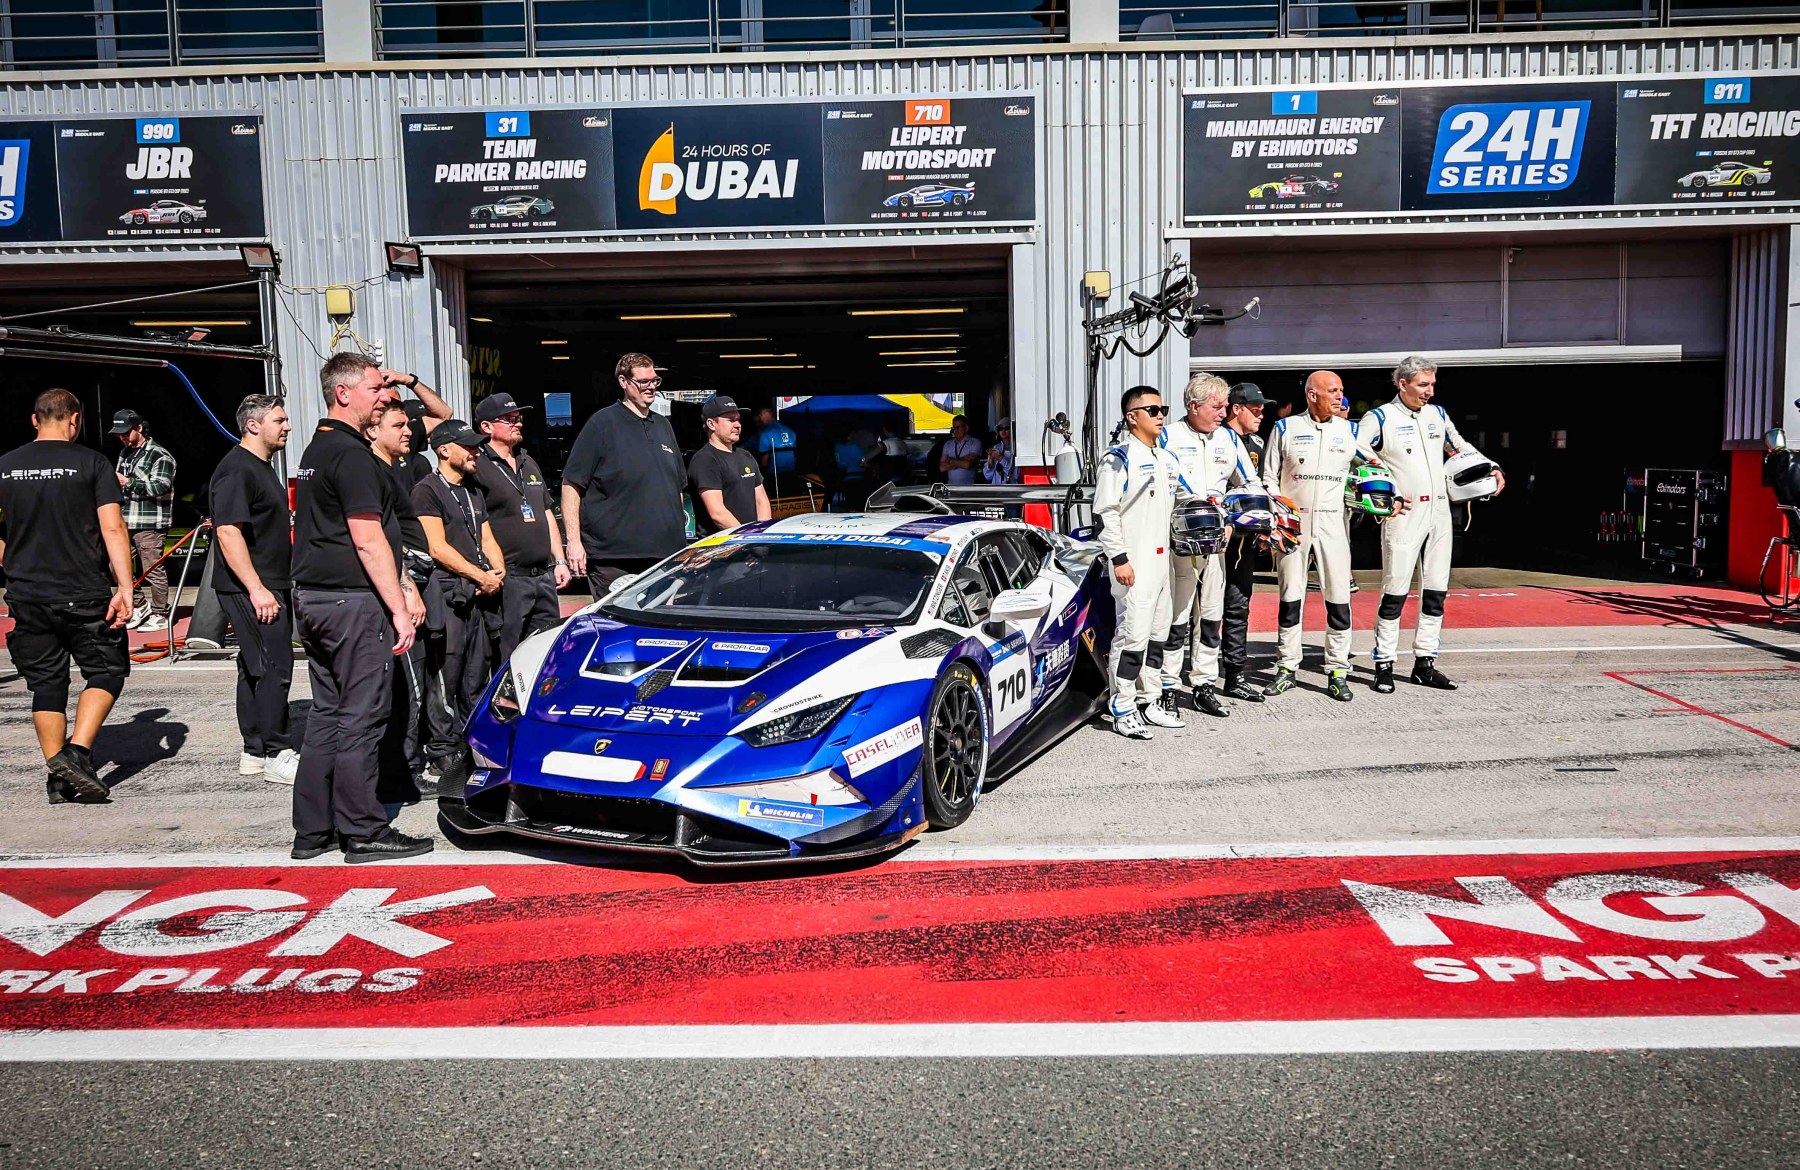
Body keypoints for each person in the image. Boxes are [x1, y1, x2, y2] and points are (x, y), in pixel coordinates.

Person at [291, 352, 430, 863]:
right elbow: (368, 539)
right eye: (375, 389)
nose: (384, 397)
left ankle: (313, 830)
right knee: (362, 717)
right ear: (343, 393)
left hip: (316, 598)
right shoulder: (350, 455)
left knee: (328, 713)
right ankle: (364, 830)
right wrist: (398, 607)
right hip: (351, 602)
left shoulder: (317, 448)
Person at [0, 389, 134, 804]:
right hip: (82, 590)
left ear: (34, 419)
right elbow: (112, 528)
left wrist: (9, 563)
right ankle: (76, 754)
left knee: (46, 683)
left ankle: (57, 777)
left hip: (26, 592)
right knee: (107, 670)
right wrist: (125, 587)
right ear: (75, 419)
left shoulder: (6, 465)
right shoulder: (92, 463)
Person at [1358, 354, 1504, 693]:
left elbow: (1461, 448)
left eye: (1432, 384)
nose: (1430, 391)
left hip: (1440, 512)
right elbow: (1356, 447)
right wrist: (1384, 484)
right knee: (1394, 591)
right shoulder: (1380, 417)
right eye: (1423, 385)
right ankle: (1384, 663)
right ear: (1403, 384)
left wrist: (1491, 466)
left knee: (1436, 591)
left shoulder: (1437, 414)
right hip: (1404, 514)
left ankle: (1424, 663)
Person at [1261, 370, 1386, 702]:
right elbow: (1268, 478)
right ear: (1312, 395)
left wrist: (1391, 494)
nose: (1339, 396)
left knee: (1339, 600)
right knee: (1290, 599)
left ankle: (1338, 670)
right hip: (1294, 524)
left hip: (1333, 525)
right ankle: (1286, 667)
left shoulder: (1350, 431)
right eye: (1332, 390)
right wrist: (1279, 508)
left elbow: (1377, 468)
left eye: (1340, 390)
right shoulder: (1285, 428)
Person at [209, 394, 300, 786]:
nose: (287, 426)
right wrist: (257, 589)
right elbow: (228, 533)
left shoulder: (260, 467)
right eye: (279, 420)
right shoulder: (237, 470)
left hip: (268, 582)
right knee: (275, 667)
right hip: (252, 588)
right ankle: (278, 752)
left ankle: (255, 750)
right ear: (253, 425)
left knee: (254, 668)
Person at [1094, 385, 1194, 740]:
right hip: (1133, 563)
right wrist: (1119, 559)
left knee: (1157, 636)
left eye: (1162, 409)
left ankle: (1149, 700)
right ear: (1132, 417)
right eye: (1152, 410)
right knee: (1132, 637)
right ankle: (1122, 706)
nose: (1161, 415)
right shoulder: (1118, 458)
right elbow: (1104, 513)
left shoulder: (1167, 459)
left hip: (1163, 563)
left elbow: (1187, 499)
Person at [1158, 373, 1258, 718]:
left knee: (1212, 617)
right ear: (1194, 405)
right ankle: (1168, 688)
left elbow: (1249, 483)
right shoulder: (1168, 436)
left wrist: (1232, 518)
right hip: (1179, 543)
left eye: (1225, 406)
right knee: (1176, 619)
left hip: (1217, 544)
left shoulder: (1229, 437)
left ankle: (1204, 685)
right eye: (1217, 406)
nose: (1224, 412)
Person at [412, 419, 504, 767]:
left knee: (477, 673)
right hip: (450, 593)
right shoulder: (427, 490)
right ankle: (442, 748)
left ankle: (473, 741)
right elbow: (436, 547)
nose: (476, 452)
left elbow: (487, 538)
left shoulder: (473, 490)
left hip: (480, 592)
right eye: (468, 446)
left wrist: (497, 571)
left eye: (477, 446)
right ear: (443, 450)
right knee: (446, 674)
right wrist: (479, 575)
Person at [562, 352, 686, 598]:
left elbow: (677, 488)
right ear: (623, 382)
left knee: (661, 620)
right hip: (615, 558)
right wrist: (574, 542)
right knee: (617, 621)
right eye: (643, 381)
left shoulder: (663, 426)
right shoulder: (602, 424)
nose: (651, 387)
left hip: (665, 555)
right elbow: (571, 484)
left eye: (655, 380)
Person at [366, 400, 436, 797]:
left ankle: (404, 764)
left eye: (408, 424)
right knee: (406, 685)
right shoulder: (373, 473)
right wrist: (407, 591)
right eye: (398, 425)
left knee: (415, 681)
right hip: (400, 592)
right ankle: (401, 773)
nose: (408, 431)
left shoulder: (396, 468)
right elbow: (381, 544)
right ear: (373, 430)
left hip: (414, 583)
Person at [471, 392, 568, 661]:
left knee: (546, 650)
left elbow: (546, 512)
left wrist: (559, 561)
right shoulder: (478, 465)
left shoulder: (528, 461)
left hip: (543, 577)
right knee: (508, 653)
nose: (518, 423)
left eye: (518, 417)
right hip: (510, 578)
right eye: (509, 419)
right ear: (487, 427)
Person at [1219, 382, 1270, 702]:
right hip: (1213, 539)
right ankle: (1191, 676)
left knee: (1238, 606)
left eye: (1262, 410)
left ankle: (1235, 675)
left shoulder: (1258, 443)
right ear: (1235, 409)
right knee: (1199, 611)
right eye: (1255, 409)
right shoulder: (1216, 438)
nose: (1260, 415)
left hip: (1243, 542)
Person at [110, 408, 176, 632]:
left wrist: (127, 482)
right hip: (125, 519)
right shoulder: (125, 453)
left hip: (149, 521)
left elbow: (160, 486)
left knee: (152, 568)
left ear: (139, 428)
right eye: (118, 434)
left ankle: (160, 613)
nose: (122, 437)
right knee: (116, 565)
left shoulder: (160, 455)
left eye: (125, 432)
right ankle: (140, 605)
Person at [689, 395, 771, 532]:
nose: (738, 425)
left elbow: (761, 501)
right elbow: (718, 513)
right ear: (711, 424)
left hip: (753, 540)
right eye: (731, 420)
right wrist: (746, 536)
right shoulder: (705, 460)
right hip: (724, 542)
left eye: (738, 419)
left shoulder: (746, 456)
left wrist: (762, 533)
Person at [753, 406, 798, 495]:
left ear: (764, 414)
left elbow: (764, 462)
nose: (759, 419)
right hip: (792, 474)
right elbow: (795, 455)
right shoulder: (790, 431)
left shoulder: (765, 433)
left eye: (760, 415)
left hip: (775, 477)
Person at [938, 415, 984, 486]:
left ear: (966, 428)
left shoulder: (975, 442)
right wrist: (961, 462)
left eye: (958, 427)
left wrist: (950, 461)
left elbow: (968, 464)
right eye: (954, 428)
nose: (955, 431)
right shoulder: (948, 444)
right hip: (950, 487)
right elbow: (942, 468)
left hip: (969, 488)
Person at [983, 418, 1017, 485]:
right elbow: (988, 476)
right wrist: (990, 464)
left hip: (1012, 487)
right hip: (996, 487)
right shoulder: (996, 448)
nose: (1003, 431)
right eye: (1001, 429)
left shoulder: (1016, 448)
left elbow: (1016, 475)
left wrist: (1001, 459)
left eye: (1006, 428)